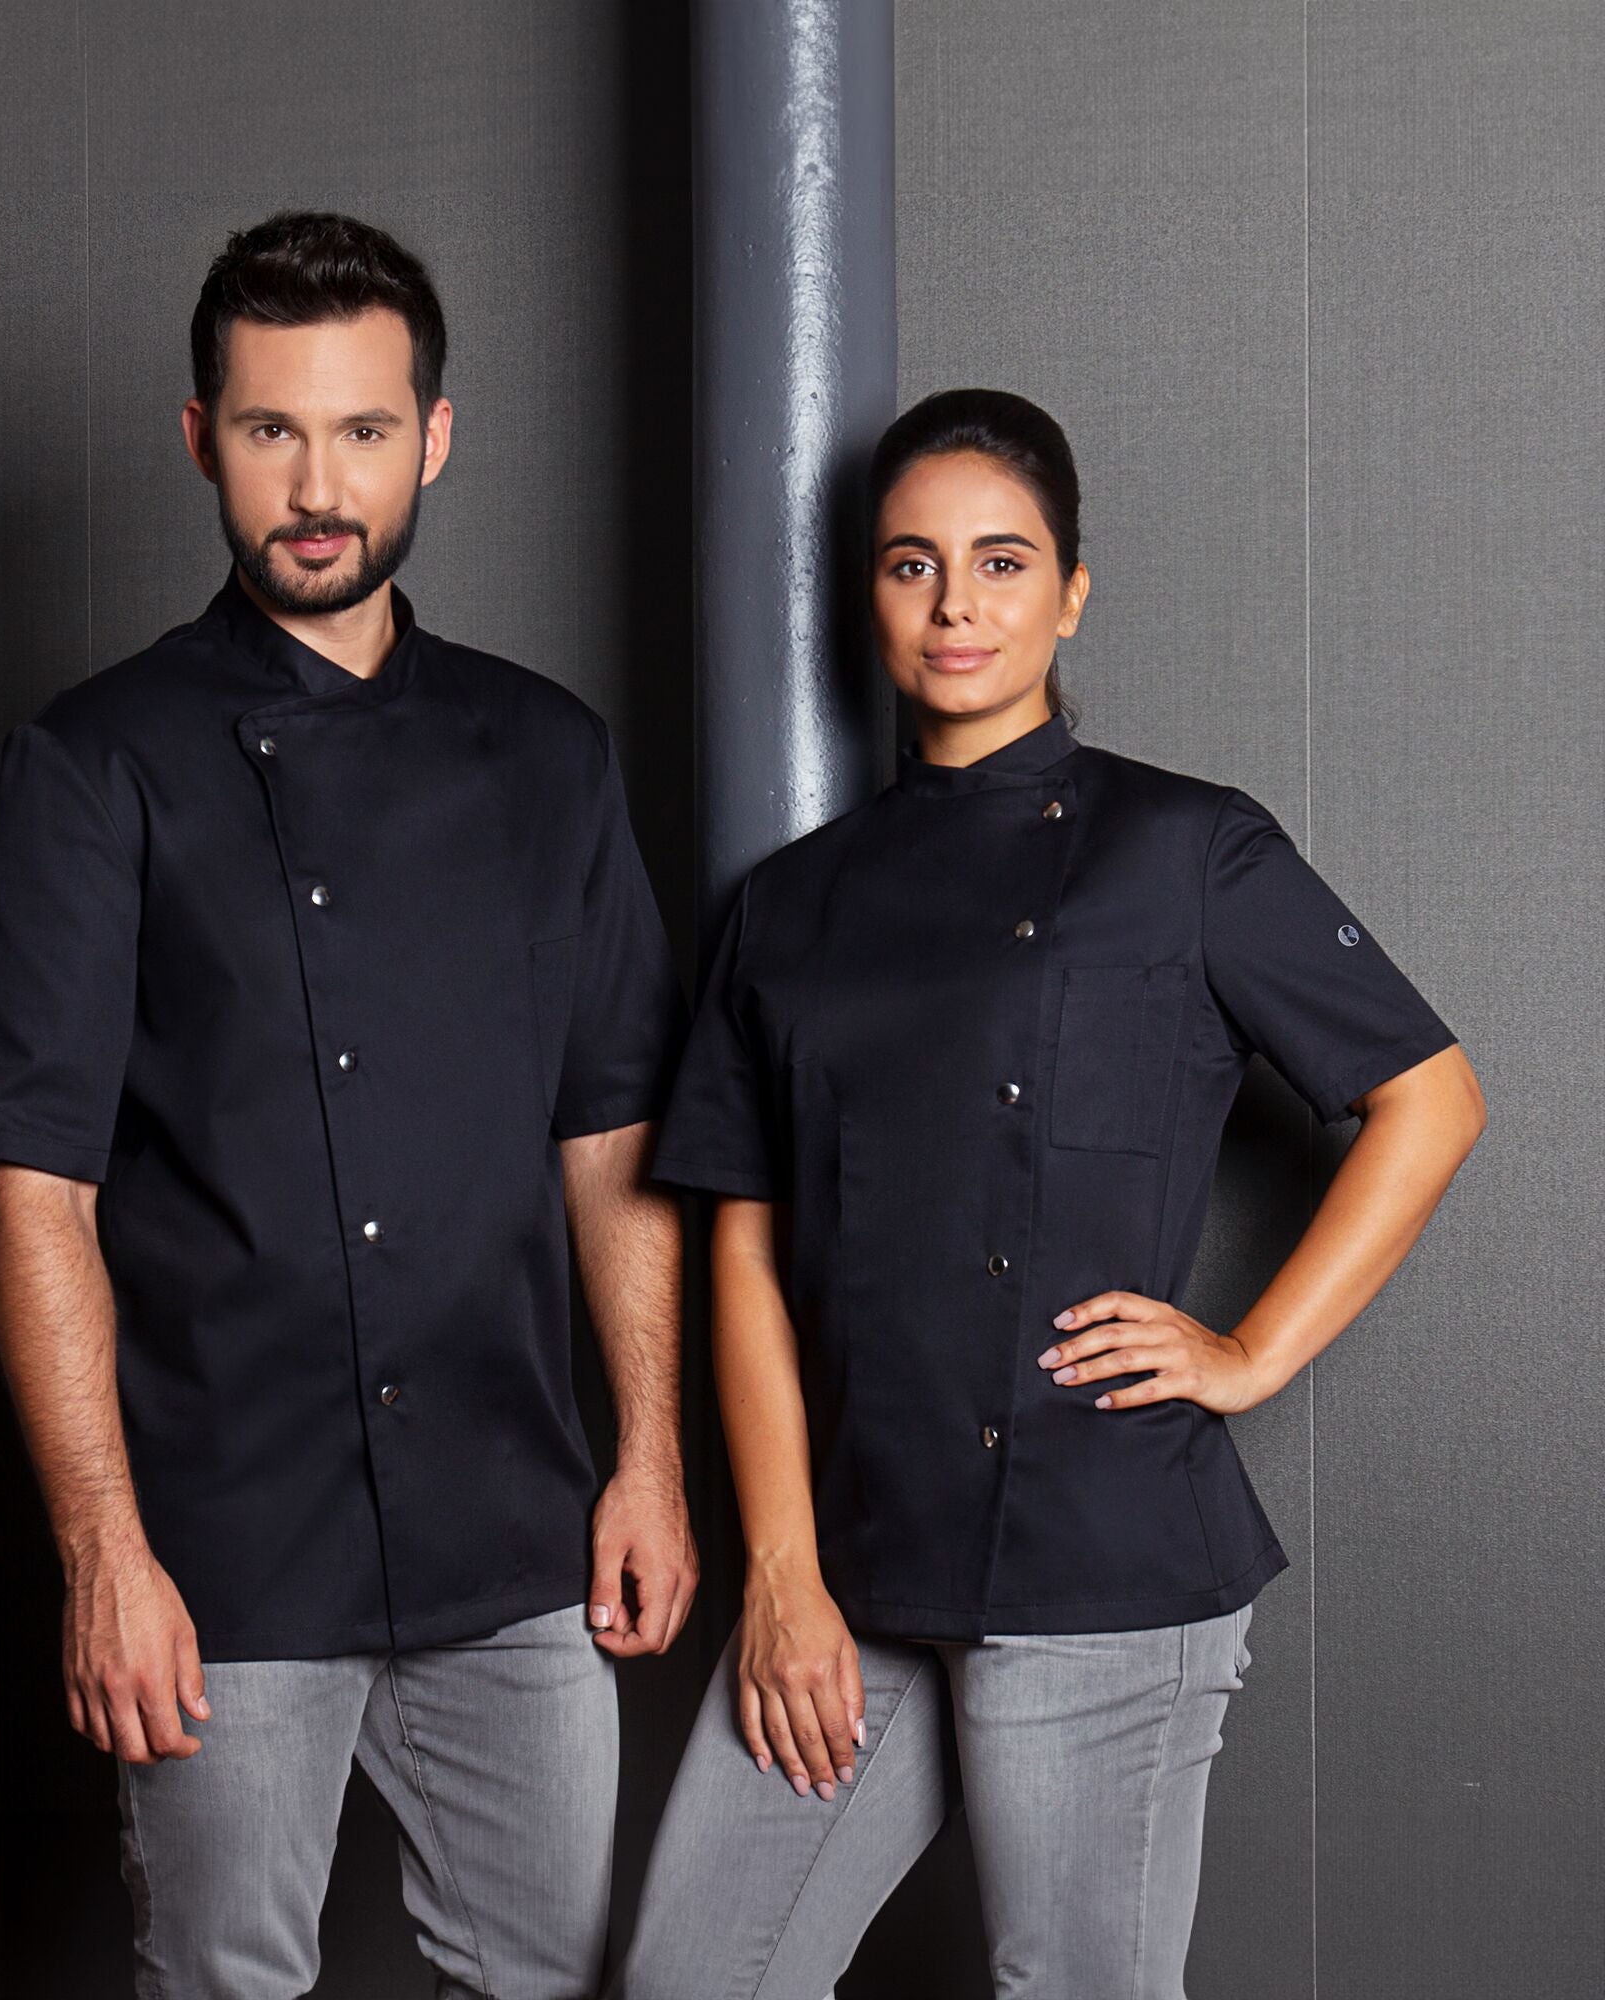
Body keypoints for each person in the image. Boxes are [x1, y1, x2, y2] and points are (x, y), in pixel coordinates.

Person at [0, 210, 697, 2000]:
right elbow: (33, 1191)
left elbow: (613, 1141)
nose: (318, 487)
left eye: (361, 430)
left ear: (436, 436)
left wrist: (649, 1459)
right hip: (226, 1552)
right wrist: (104, 1552)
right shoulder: (95, 764)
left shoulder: (550, 754)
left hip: (513, 1535)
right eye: (272, 430)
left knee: (553, 1979)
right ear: (203, 437)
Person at [612, 388, 1486, 1998]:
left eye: (1002, 562)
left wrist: (1249, 1353)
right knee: (695, 1977)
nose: (957, 604)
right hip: (860, 1563)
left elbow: (1429, 1098)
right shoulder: (787, 908)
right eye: (913, 564)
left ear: (1071, 592)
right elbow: (744, 1249)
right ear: (869, 595)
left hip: (1103, 1556)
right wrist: (784, 1570)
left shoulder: (1186, 850)